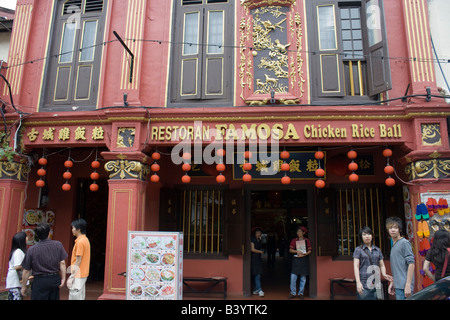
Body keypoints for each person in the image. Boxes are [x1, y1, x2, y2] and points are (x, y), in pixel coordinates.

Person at [21, 222, 68, 300]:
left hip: (40, 281)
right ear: (49, 233)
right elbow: (62, 263)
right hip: (54, 279)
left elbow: (26, 270)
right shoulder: (58, 245)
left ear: (37, 235)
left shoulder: (32, 250)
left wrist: (24, 286)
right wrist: (63, 278)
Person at [353, 227, 392, 300]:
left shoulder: (377, 250)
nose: (367, 236)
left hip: (376, 282)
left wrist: (384, 274)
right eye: (364, 235)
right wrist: (358, 282)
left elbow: (382, 265)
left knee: (379, 298)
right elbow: (356, 266)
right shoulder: (358, 250)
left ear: (372, 236)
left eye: (369, 234)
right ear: (361, 237)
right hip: (364, 282)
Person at [386, 217, 415, 300]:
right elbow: (398, 268)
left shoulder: (404, 243)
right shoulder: (394, 244)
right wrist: (393, 282)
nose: (393, 230)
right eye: (390, 228)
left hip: (405, 287)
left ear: (400, 229)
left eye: (395, 227)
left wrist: (408, 285)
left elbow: (411, 264)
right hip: (398, 286)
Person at [68, 218, 91, 300]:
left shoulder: (80, 242)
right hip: (82, 272)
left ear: (78, 229)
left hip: (78, 273)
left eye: (73, 228)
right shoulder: (85, 240)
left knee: (75, 295)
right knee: (80, 296)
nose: (72, 230)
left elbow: (78, 260)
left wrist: (72, 276)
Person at [288, 226, 311, 299]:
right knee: (293, 277)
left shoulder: (307, 241)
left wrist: (305, 253)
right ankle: (293, 293)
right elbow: (290, 250)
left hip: (304, 260)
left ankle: (301, 293)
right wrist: (296, 251)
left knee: (303, 278)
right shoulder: (294, 240)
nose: (298, 233)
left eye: (300, 231)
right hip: (296, 260)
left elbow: (310, 251)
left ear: (304, 233)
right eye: (297, 231)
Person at [6, 232, 27, 300]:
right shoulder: (18, 252)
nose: (27, 239)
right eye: (25, 237)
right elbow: (17, 266)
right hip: (16, 282)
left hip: (15, 282)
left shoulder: (17, 251)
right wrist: (28, 265)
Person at [251, 227, 264, 297]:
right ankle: (259, 290)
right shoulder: (252, 239)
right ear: (255, 233)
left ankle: (255, 290)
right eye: (258, 233)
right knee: (257, 274)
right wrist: (260, 252)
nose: (259, 234)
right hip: (254, 259)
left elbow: (262, 247)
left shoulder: (259, 240)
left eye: (260, 233)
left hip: (258, 259)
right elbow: (252, 249)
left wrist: (261, 240)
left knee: (258, 274)